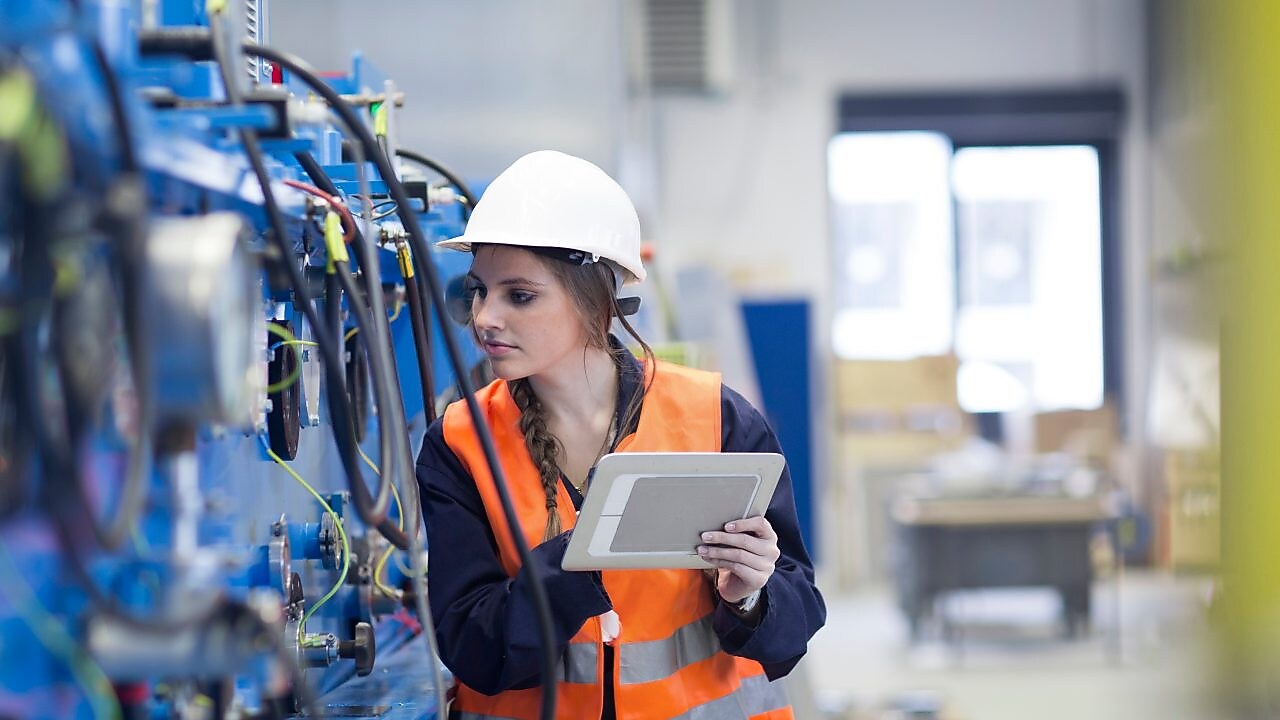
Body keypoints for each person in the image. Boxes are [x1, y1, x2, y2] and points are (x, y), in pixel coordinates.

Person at [416, 150, 826, 720]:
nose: (485, 317)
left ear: (597, 302)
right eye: (478, 291)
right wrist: (574, 566)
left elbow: (797, 618)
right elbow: (472, 649)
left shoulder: (715, 417)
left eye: (520, 295)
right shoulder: (460, 443)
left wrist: (750, 596)